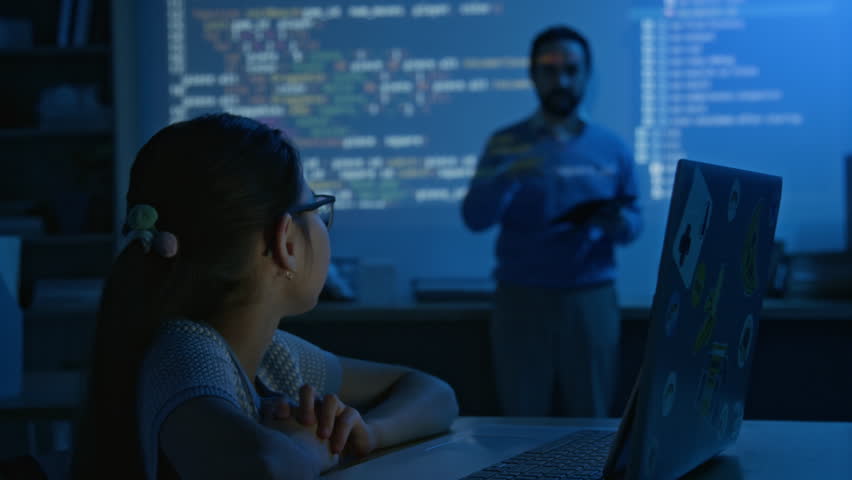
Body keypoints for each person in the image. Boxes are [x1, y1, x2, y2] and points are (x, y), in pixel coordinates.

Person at [71, 113, 459, 479]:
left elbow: (432, 391)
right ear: (285, 240)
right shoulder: (185, 352)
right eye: (318, 211)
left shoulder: (274, 356)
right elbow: (263, 467)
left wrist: (364, 433)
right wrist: (305, 447)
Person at [461, 26, 642, 418]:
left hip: (591, 298)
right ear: (532, 76)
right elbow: (474, 218)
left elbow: (634, 223)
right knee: (520, 424)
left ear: (586, 75)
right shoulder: (505, 143)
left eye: (571, 69)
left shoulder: (612, 147)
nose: (561, 80)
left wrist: (618, 222)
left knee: (592, 422)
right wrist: (507, 177)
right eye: (549, 70)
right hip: (521, 300)